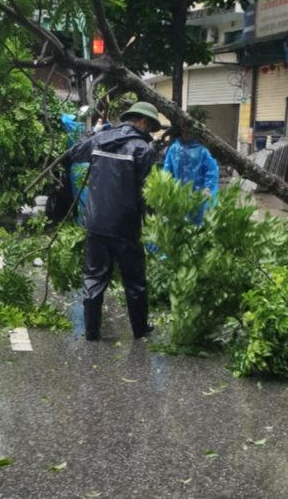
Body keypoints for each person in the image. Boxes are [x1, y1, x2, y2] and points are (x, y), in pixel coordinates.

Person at [66, 101, 161, 341]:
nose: (149, 131)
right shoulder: (143, 149)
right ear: (143, 122)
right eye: (149, 126)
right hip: (125, 226)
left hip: (96, 222)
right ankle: (140, 329)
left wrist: (94, 131)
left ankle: (91, 331)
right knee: (135, 280)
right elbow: (147, 192)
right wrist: (153, 220)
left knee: (94, 277)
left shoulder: (101, 139)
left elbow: (74, 153)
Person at [162, 129, 219, 224]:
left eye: (190, 131)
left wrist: (208, 188)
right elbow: (167, 171)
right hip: (178, 196)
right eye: (185, 130)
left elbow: (211, 172)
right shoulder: (174, 149)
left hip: (199, 197)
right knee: (179, 227)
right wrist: (166, 189)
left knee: (197, 228)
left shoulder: (203, 151)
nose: (187, 133)